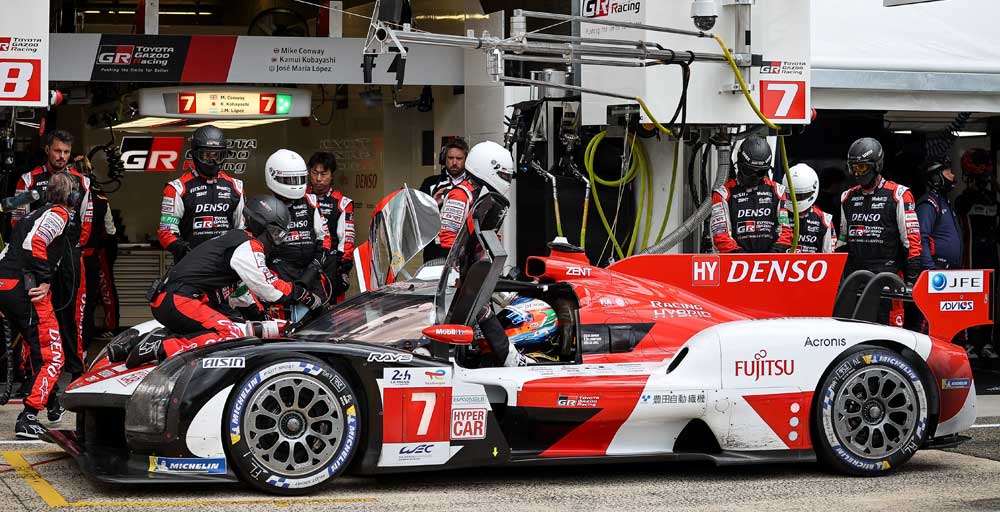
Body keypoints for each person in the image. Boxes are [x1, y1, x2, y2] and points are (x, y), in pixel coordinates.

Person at [128, 196, 323, 368]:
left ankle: (134, 344)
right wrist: (302, 294)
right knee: (230, 334)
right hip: (180, 299)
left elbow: (245, 298)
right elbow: (269, 289)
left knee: (237, 324)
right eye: (276, 233)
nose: (278, 240)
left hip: (173, 300)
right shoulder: (248, 246)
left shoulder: (235, 241)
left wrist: (272, 321)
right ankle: (161, 346)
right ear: (260, 225)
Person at [11, 130, 93, 420]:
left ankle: (74, 372)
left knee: (72, 318)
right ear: (47, 150)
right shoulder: (29, 180)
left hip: (69, 256)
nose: (61, 157)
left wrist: (69, 250)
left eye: (66, 153)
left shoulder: (82, 182)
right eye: (57, 151)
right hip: (35, 261)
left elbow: (86, 222)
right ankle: (32, 378)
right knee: (37, 322)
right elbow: (17, 222)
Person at [0, 173, 79, 438]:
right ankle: (29, 416)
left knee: (35, 347)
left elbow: (10, 249)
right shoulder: (59, 214)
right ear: (72, 197)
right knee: (53, 354)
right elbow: (34, 243)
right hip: (27, 289)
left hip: (7, 285)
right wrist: (44, 280)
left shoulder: (32, 215)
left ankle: (52, 403)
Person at [449, 140, 526, 367]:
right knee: (479, 311)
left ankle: (487, 359)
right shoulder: (460, 196)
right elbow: (447, 242)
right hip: (456, 277)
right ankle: (508, 359)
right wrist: (458, 276)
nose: (506, 181)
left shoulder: (482, 197)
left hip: (473, 273)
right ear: (487, 168)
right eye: (502, 174)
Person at [837, 137, 922, 325]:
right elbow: (842, 242)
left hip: (888, 278)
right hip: (856, 279)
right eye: (853, 167)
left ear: (876, 165)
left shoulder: (899, 195)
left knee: (890, 334)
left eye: (862, 167)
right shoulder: (847, 197)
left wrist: (911, 281)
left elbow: (912, 243)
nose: (857, 173)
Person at [158, 125, 245, 263]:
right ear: (195, 154)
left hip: (226, 267)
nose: (212, 161)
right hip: (190, 267)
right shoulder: (177, 188)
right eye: (207, 155)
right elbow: (166, 232)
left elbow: (243, 230)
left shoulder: (235, 187)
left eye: (217, 156)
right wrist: (183, 250)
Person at [264, 149, 334, 311]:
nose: (294, 184)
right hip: (280, 276)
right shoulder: (265, 206)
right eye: (288, 180)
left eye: (298, 179)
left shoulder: (311, 201)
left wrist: (315, 265)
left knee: (322, 318)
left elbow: (324, 238)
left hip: (311, 274)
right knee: (284, 322)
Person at [711, 136, 793, 253]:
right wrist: (743, 259)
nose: (754, 177)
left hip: (772, 263)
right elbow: (720, 236)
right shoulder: (723, 194)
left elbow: (785, 231)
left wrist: (773, 256)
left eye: (760, 172)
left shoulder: (778, 191)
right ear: (739, 164)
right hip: (735, 264)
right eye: (749, 171)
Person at [955, 148, 1000, 360]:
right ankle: (968, 342)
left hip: (990, 253)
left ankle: (987, 342)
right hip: (971, 256)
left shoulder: (993, 198)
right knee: (970, 298)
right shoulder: (964, 200)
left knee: (990, 298)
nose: (983, 181)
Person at [73, 155, 120, 347]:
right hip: (93, 255)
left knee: (78, 297)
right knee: (94, 295)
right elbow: (111, 230)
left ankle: (80, 336)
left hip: (78, 256)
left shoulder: (67, 197)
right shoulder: (101, 197)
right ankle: (92, 333)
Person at [307, 152, 354, 301]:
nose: (318, 179)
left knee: (334, 310)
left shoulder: (342, 203)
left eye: (323, 173)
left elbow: (346, 239)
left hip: (330, 264)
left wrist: (343, 267)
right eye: (314, 173)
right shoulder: (299, 197)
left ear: (332, 175)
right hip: (304, 260)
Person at [422, 140, 469, 261]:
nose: (454, 162)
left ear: (466, 160)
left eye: (459, 158)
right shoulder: (430, 183)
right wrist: (432, 204)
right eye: (450, 158)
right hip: (435, 249)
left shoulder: (474, 185)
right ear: (444, 159)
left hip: (466, 249)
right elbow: (419, 217)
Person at [916, 161, 962, 271]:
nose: (953, 175)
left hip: (950, 271)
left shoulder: (945, 201)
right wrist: (930, 269)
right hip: (937, 272)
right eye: (948, 173)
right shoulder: (929, 204)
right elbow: (921, 238)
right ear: (936, 178)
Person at [783, 163, 836, 253]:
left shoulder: (824, 220)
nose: (796, 199)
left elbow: (830, 256)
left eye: (800, 196)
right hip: (782, 266)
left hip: (814, 266)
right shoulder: (779, 213)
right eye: (791, 196)